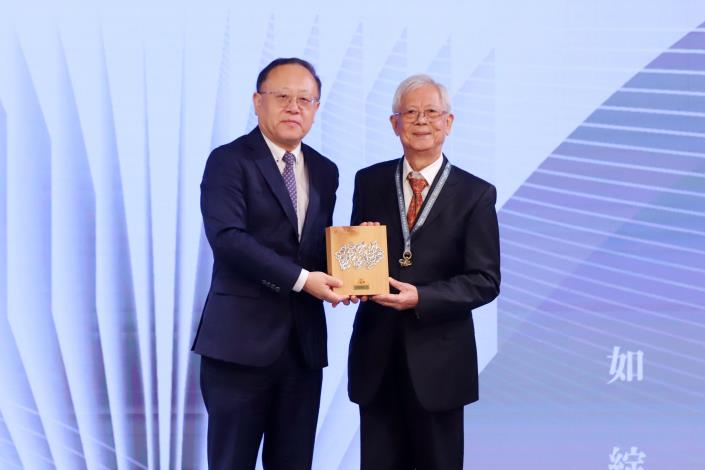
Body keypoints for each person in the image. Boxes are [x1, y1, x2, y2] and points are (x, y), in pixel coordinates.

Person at [192, 57, 346, 470]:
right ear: (258, 102)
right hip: (238, 347)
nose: (294, 107)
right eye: (282, 97)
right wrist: (303, 281)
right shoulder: (228, 161)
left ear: (315, 108)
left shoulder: (326, 170)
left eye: (305, 99)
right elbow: (228, 240)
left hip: (302, 349)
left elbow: (314, 250)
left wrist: (356, 259)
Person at [348, 74, 501, 470]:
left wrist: (423, 297)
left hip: (440, 363)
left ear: (448, 123)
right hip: (377, 357)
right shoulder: (369, 181)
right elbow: (356, 263)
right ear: (394, 123)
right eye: (410, 112)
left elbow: (485, 280)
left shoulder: (475, 194)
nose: (421, 121)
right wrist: (354, 259)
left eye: (431, 112)